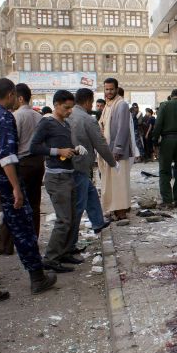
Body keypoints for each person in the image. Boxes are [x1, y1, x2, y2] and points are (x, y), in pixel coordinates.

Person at [0, 78, 57, 300]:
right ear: (10, 95)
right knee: (23, 229)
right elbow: (7, 157)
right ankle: (37, 277)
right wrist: (16, 188)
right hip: (4, 183)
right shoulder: (4, 117)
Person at [31, 90, 84, 271]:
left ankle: (65, 252)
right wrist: (58, 151)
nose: (69, 111)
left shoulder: (65, 124)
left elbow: (63, 147)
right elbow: (34, 147)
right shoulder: (47, 123)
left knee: (72, 217)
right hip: (57, 177)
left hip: (68, 174)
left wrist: (74, 149)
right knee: (63, 220)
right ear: (56, 105)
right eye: (66, 108)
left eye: (71, 108)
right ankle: (51, 258)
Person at [0, 83, 45, 255]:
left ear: (20, 98)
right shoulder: (39, 117)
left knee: (15, 204)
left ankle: (5, 245)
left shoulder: (16, 117)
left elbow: (11, 145)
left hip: (22, 164)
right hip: (38, 164)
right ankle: (33, 239)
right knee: (34, 204)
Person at [67, 88, 114, 245]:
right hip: (80, 164)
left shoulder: (67, 114)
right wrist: (112, 162)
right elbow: (100, 144)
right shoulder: (87, 119)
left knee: (91, 192)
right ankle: (71, 244)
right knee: (78, 205)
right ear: (88, 101)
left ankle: (97, 222)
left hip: (68, 163)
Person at [98, 78, 139, 221]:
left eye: (111, 89)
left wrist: (118, 150)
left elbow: (123, 129)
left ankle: (121, 212)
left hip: (117, 152)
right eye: (106, 89)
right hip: (107, 150)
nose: (109, 92)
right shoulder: (108, 105)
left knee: (120, 183)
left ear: (116, 89)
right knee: (110, 182)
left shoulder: (121, 105)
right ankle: (113, 209)